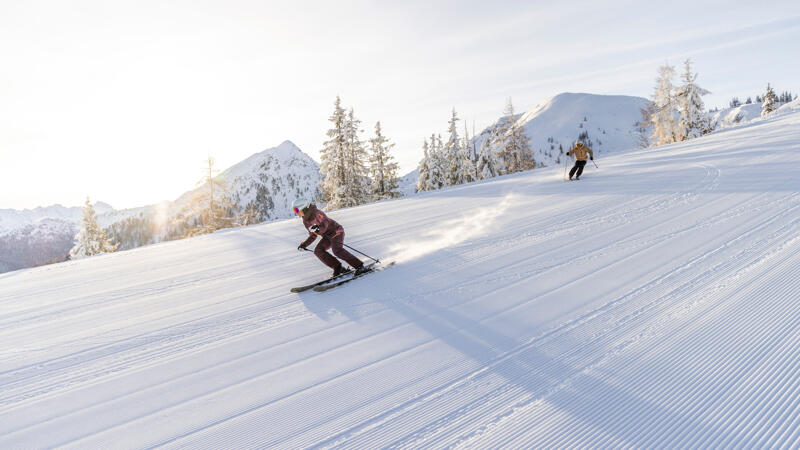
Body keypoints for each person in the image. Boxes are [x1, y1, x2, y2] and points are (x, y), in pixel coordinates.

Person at [293, 198, 367, 277]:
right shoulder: (306, 221)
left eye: (299, 211)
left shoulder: (317, 213)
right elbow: (313, 235)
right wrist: (304, 244)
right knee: (318, 251)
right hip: (327, 237)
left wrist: (318, 228)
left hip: (336, 232)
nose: (298, 214)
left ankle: (359, 266)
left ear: (306, 208)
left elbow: (325, 223)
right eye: (296, 211)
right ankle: (338, 267)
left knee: (337, 250)